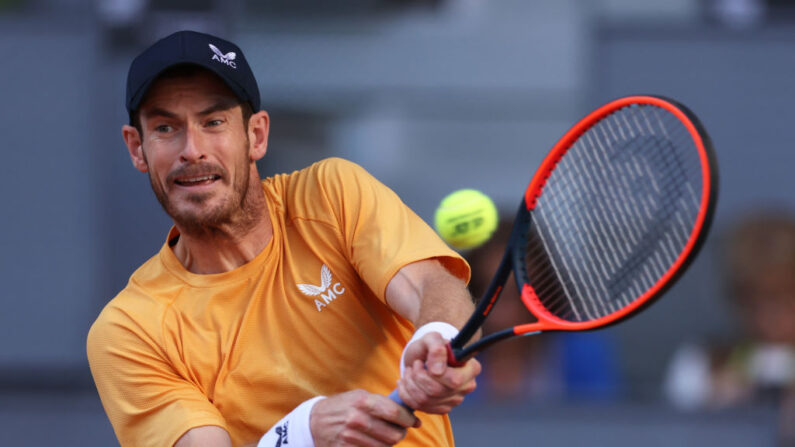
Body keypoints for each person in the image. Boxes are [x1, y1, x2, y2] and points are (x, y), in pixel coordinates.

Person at [86, 30, 481, 447]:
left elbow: (429, 285)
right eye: (166, 128)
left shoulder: (333, 194)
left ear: (256, 135)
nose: (192, 149)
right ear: (137, 148)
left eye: (214, 122)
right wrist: (302, 432)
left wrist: (436, 339)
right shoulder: (129, 330)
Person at [664, 212, 795, 443]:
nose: (771, 316)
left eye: (786, 297)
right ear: (734, 299)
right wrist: (718, 406)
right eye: (755, 300)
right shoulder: (701, 363)